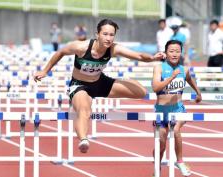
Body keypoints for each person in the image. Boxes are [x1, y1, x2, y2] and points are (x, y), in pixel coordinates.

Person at [34, 19, 165, 153]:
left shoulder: (114, 48)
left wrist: (153, 58)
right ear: (97, 34)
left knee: (141, 92)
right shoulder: (81, 47)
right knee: (84, 111)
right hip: (80, 85)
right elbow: (60, 52)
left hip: (100, 82)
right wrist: (45, 71)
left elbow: (138, 55)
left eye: (111, 35)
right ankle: (84, 139)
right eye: (105, 34)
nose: (108, 38)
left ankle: (123, 81)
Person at [152, 40, 202, 176]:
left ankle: (179, 161)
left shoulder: (184, 69)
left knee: (175, 130)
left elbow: (189, 79)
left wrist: (198, 92)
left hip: (178, 108)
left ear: (181, 53)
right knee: (160, 143)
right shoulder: (159, 68)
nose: (174, 54)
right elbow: (156, 87)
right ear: (166, 53)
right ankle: (157, 169)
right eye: (171, 51)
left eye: (177, 51)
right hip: (160, 110)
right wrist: (171, 78)